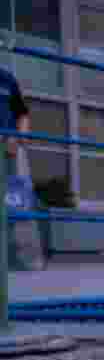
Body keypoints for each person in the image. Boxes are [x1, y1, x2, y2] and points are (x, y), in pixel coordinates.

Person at [1, 67, 33, 269]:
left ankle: (8, 253)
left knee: (8, 201)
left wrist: (21, 137)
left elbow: (22, 114)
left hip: (6, 150)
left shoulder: (7, 79)